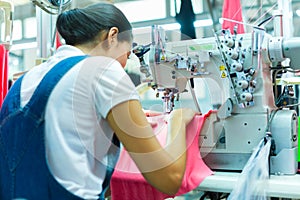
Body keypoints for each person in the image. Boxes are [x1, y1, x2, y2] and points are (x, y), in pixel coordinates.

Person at [0, 2, 196, 200]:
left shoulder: (26, 80)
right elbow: (169, 179)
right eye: (127, 54)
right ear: (112, 36)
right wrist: (178, 121)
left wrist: (113, 119)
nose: (125, 64)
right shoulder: (104, 69)